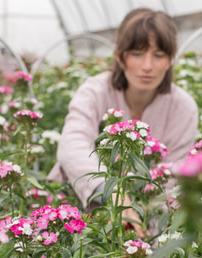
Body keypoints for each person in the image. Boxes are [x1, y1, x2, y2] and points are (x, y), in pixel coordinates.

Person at [48, 8, 199, 238]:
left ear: (170, 60)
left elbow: (172, 180)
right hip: (80, 214)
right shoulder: (94, 91)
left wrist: (156, 240)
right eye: (137, 53)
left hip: (147, 221)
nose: (147, 66)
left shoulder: (183, 108)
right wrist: (111, 192)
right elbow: (72, 145)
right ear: (120, 56)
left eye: (158, 55)